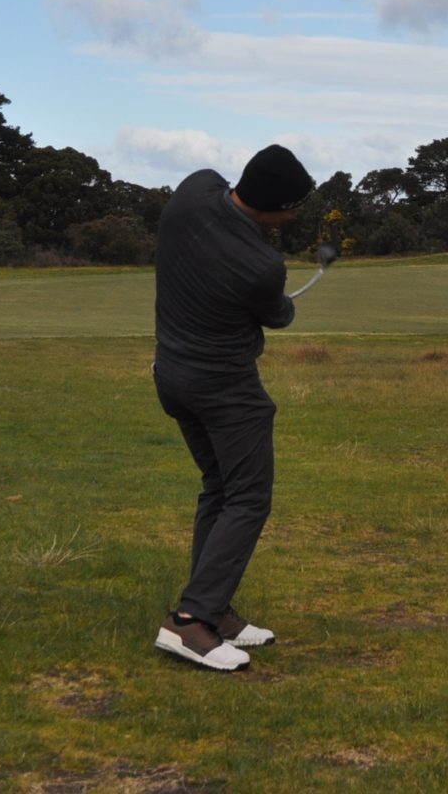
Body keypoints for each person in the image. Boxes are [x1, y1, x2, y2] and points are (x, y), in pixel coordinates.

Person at [150, 144, 315, 671]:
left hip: (171, 375)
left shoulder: (194, 189)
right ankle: (189, 622)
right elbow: (279, 316)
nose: (295, 215)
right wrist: (281, 301)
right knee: (248, 497)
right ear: (276, 208)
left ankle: (214, 609)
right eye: (294, 207)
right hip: (225, 388)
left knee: (220, 488)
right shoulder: (263, 265)